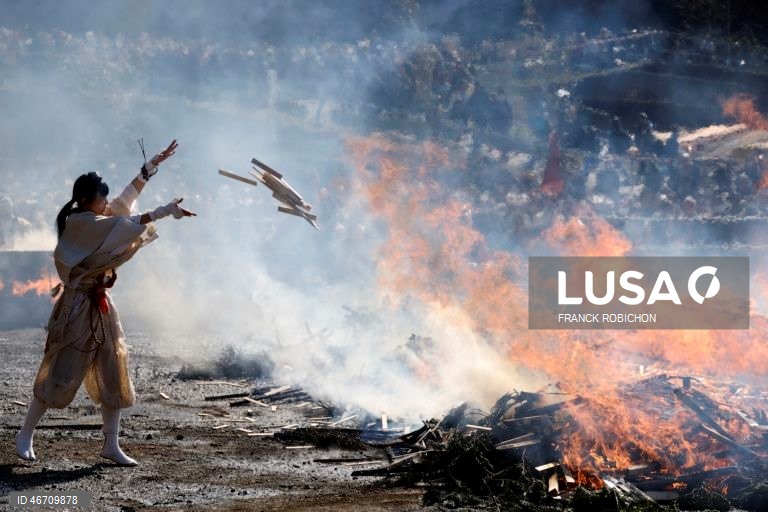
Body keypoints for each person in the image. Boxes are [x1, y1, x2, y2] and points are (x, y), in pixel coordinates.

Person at [15, 140, 195, 466]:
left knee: (113, 366)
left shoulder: (97, 216)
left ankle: (110, 444)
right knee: (61, 369)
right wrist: (164, 212)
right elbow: (123, 224)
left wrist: (150, 168)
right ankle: (25, 432)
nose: (107, 203)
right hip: (77, 306)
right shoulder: (81, 222)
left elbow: (123, 205)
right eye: (102, 199)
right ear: (86, 201)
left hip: (100, 304)